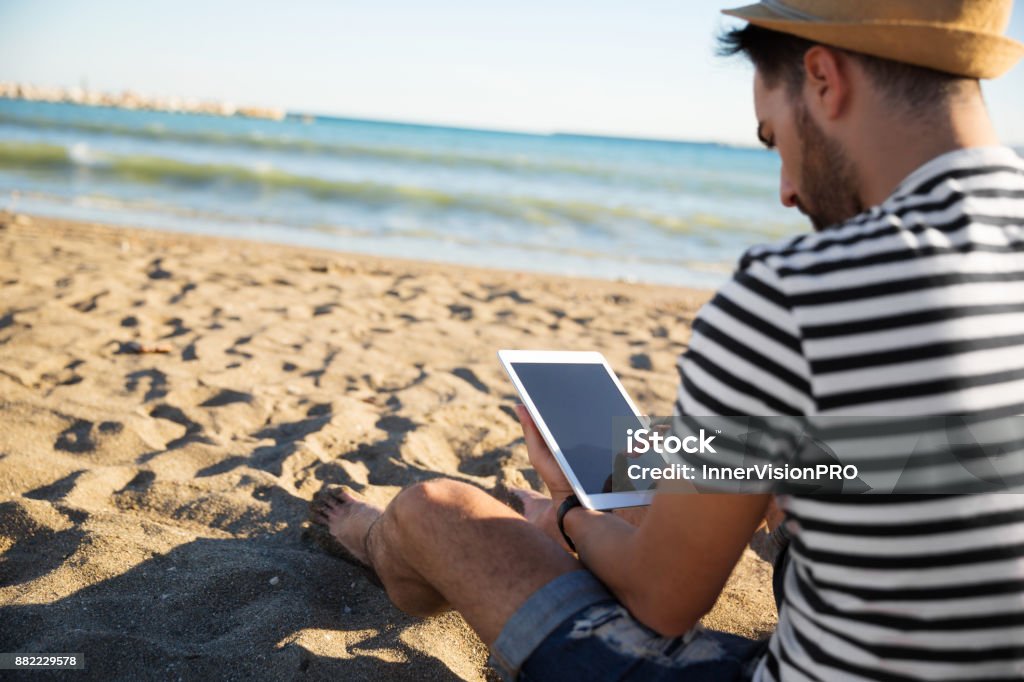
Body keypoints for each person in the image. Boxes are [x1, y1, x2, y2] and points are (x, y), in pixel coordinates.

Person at [308, 1, 1024, 679]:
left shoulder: (795, 288)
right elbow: (948, 456)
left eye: (774, 140)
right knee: (709, 463)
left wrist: (567, 517)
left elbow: (665, 601)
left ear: (823, 79)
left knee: (437, 512)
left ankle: (378, 540)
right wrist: (661, 458)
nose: (785, 191)